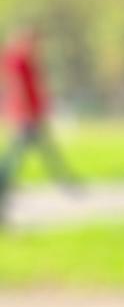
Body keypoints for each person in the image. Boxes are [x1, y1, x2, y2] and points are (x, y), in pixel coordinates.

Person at [0, 24, 83, 215]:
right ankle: (4, 185)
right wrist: (27, 112)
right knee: (16, 156)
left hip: (32, 114)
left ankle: (67, 183)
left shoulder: (28, 60)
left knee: (41, 152)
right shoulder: (17, 60)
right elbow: (18, 87)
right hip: (25, 116)